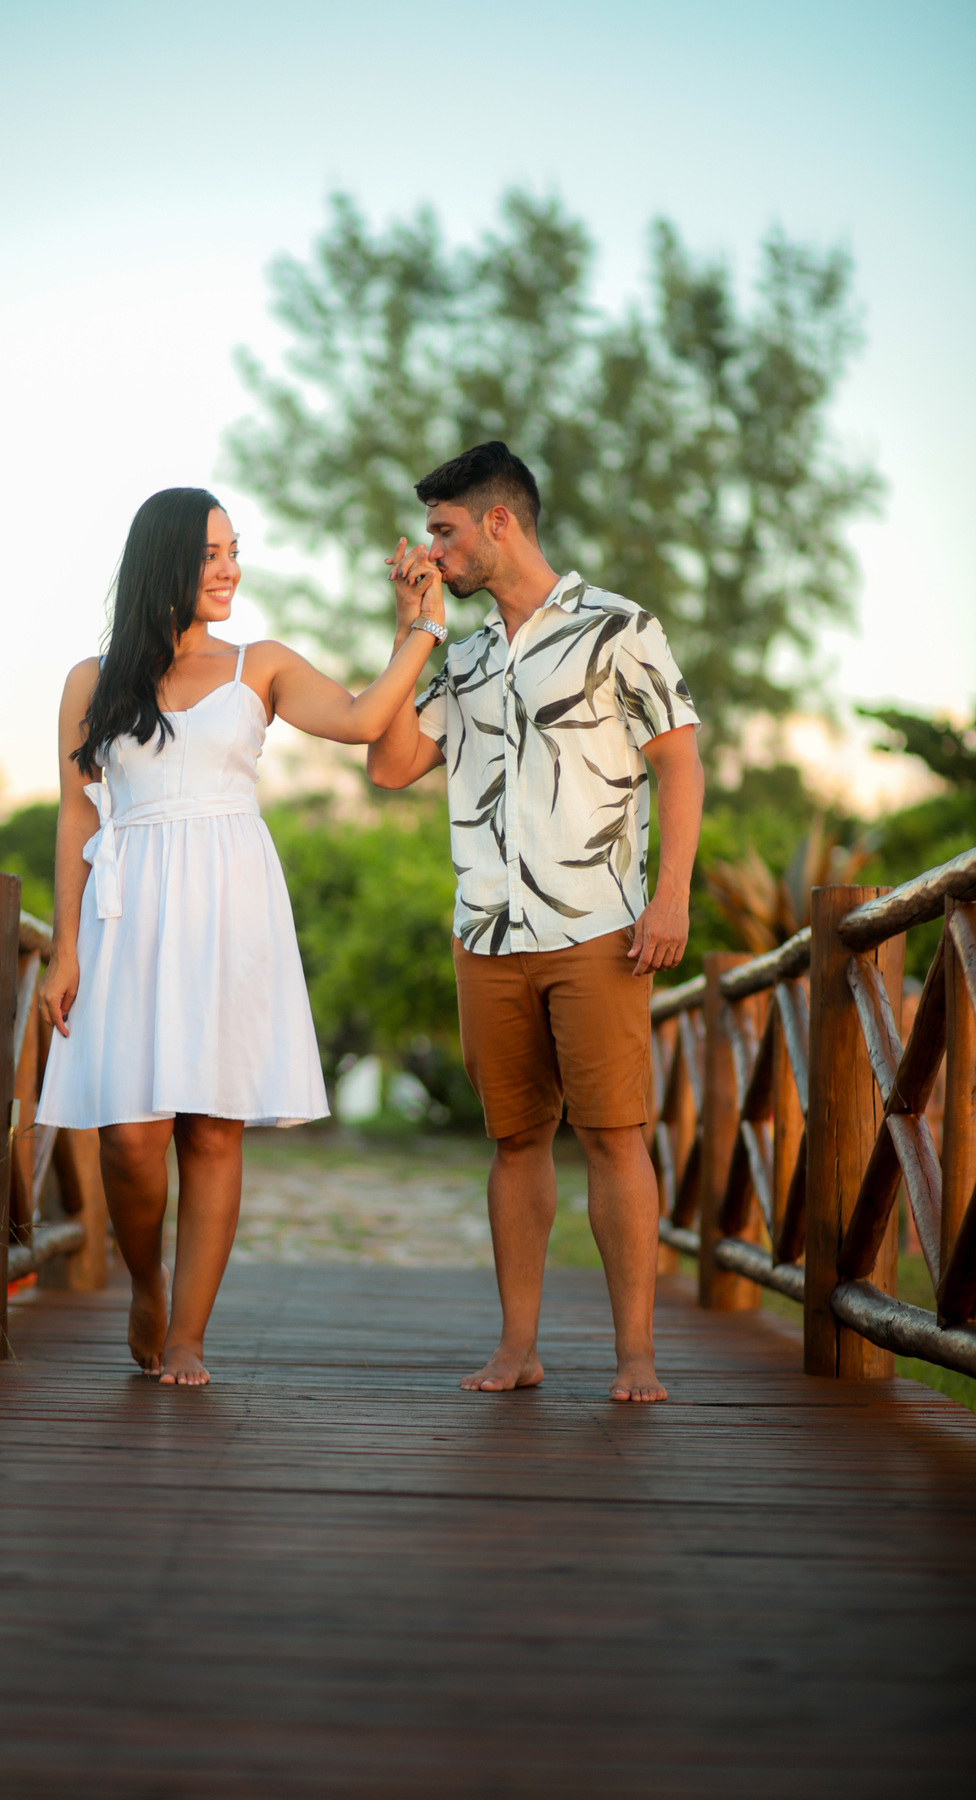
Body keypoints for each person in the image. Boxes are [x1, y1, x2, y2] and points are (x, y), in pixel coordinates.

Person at [36, 487, 445, 1386]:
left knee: (214, 1132)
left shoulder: (259, 664)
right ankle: (146, 1282)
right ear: (166, 563)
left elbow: (362, 721)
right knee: (131, 1140)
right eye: (212, 554)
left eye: (234, 551)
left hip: (230, 908)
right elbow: (77, 815)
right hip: (129, 911)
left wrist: (419, 627)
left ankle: (188, 1333)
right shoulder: (89, 681)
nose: (231, 569)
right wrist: (65, 948)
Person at [368, 442, 703, 1402]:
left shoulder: (619, 628)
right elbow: (389, 766)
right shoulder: (462, 659)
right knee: (515, 1142)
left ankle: (634, 1354)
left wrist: (670, 895)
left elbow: (679, 761)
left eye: (443, 532)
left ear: (498, 523)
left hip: (599, 926)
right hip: (488, 935)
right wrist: (412, 631)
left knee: (612, 1135)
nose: (431, 553)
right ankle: (518, 1348)